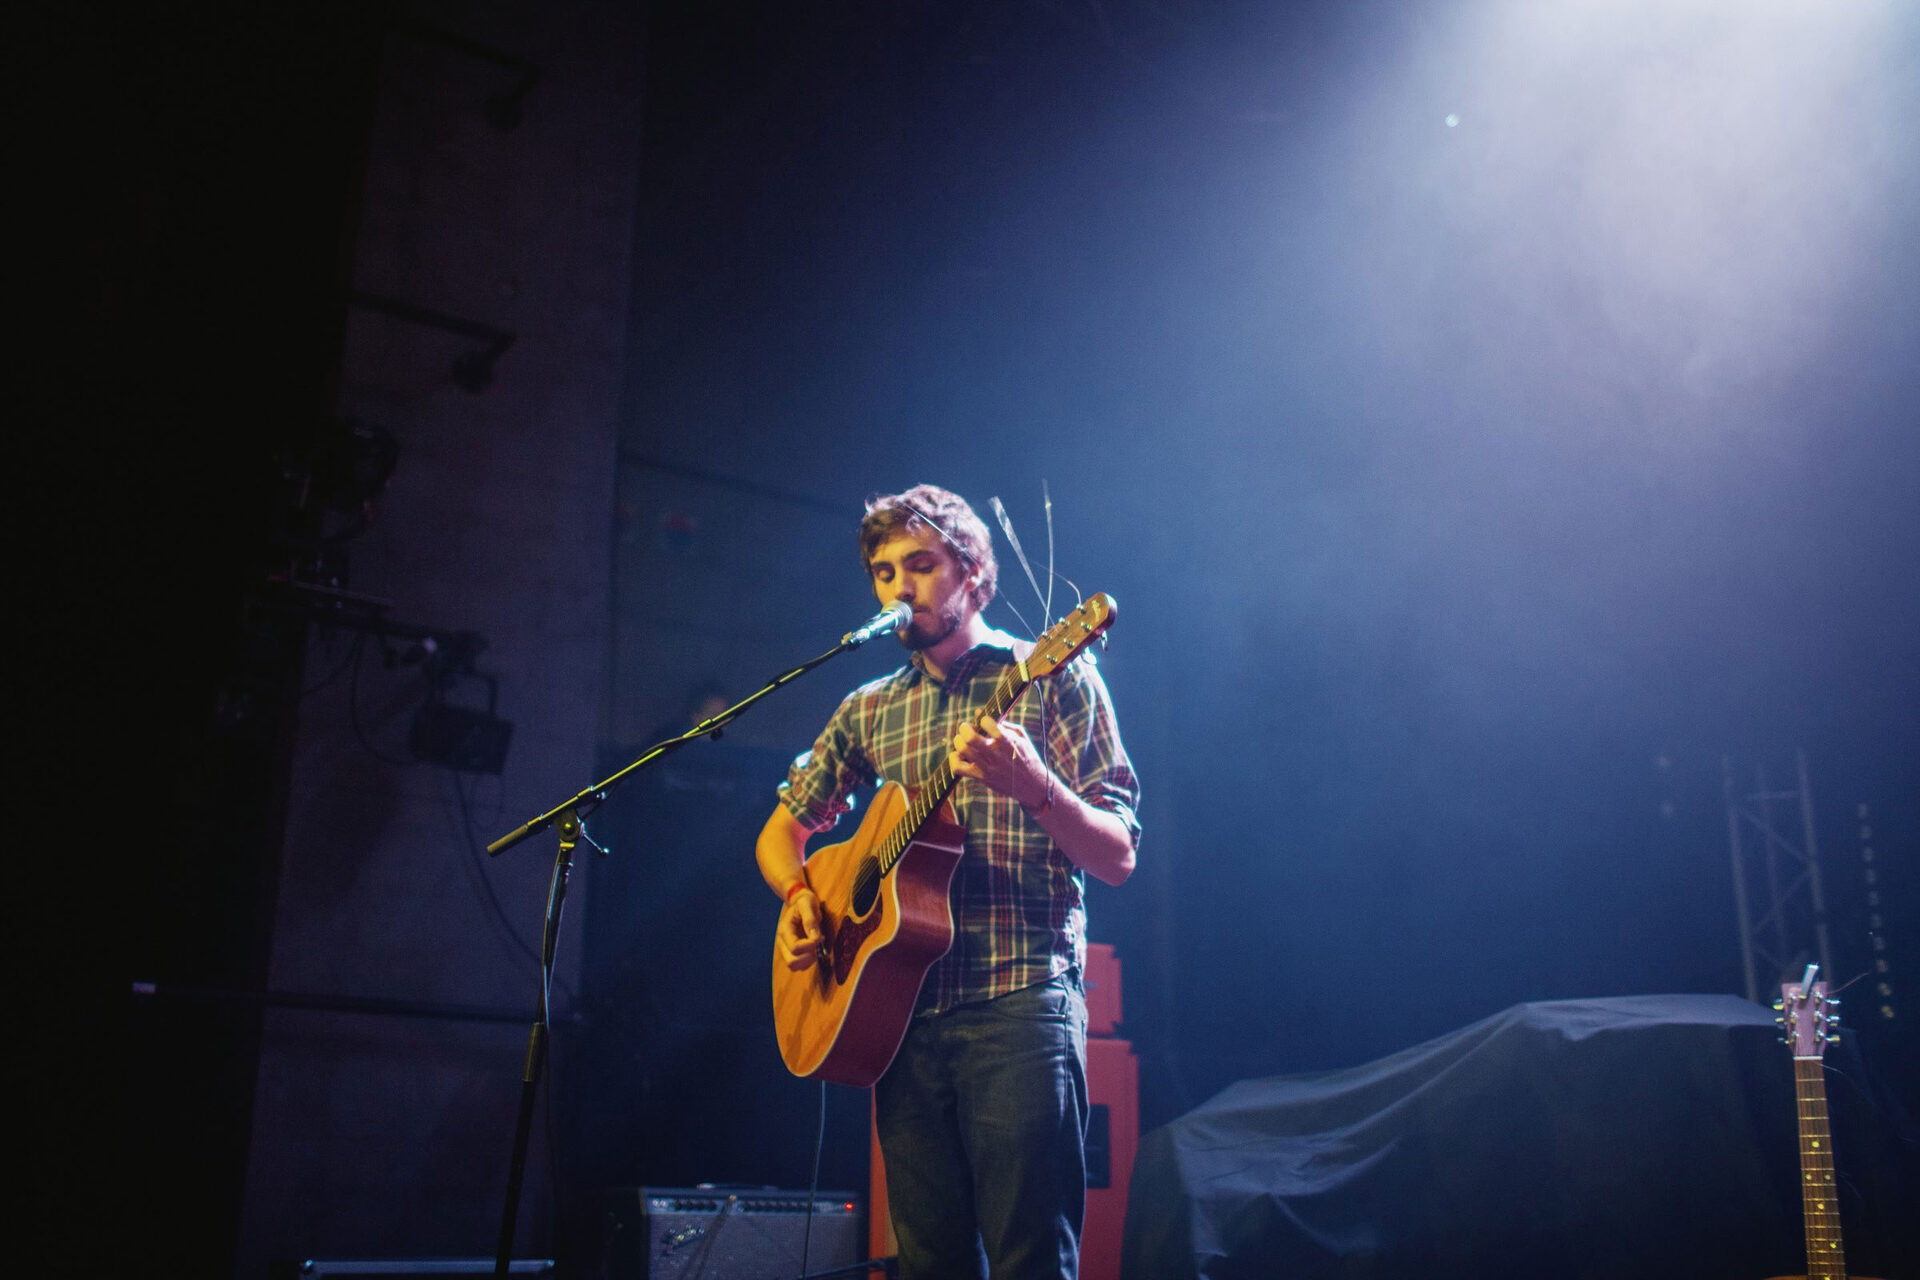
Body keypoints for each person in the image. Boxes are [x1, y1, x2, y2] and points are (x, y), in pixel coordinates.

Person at [756, 483, 1141, 1279]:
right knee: (930, 1265)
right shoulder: (867, 709)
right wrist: (800, 896)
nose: (900, 586)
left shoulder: (1050, 673)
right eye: (884, 572)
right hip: (898, 1019)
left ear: (972, 574)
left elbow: (1118, 855)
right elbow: (782, 832)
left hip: (1019, 1002)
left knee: (1030, 1258)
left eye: (921, 565)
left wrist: (1035, 786)